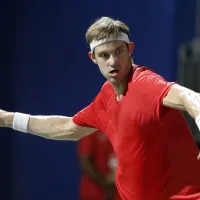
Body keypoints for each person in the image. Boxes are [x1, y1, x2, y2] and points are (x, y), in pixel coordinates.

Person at [1, 16, 200, 200]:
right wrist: (7, 119)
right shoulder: (106, 96)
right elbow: (67, 127)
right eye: (104, 55)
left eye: (118, 51)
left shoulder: (145, 83)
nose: (113, 61)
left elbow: (188, 97)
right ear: (93, 57)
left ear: (130, 48)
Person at [77, 130, 120, 200]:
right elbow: (85, 162)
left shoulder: (118, 129)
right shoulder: (90, 128)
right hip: (93, 193)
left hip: (116, 193)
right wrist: (105, 184)